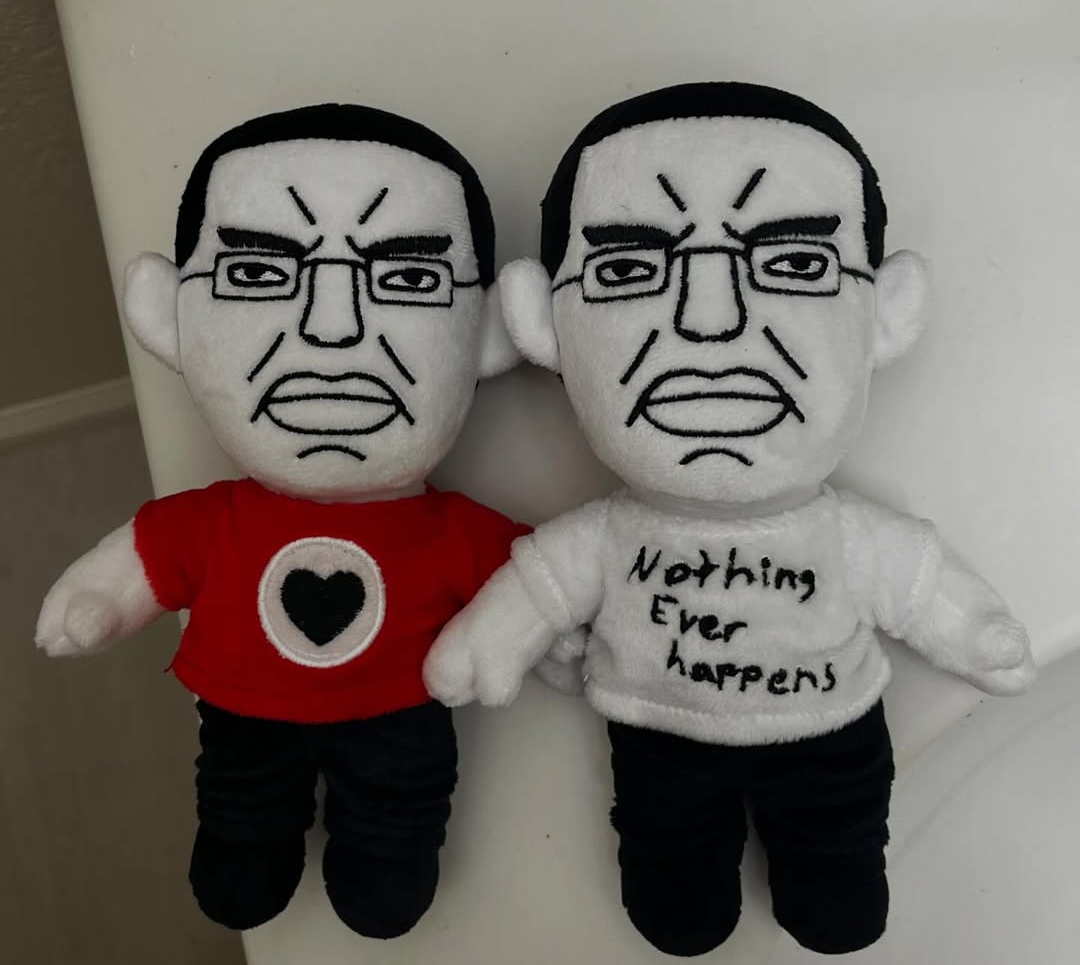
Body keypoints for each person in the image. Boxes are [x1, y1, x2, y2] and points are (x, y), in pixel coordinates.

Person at [424, 82, 1035, 956]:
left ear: (885, 316)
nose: (710, 322)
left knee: (839, 860)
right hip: (659, 736)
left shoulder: (840, 533)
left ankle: (828, 881)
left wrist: (975, 633)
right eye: (629, 270)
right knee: (672, 879)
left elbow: (918, 582)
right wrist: (495, 639)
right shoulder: (610, 535)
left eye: (793, 263)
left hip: (829, 732)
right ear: (543, 324)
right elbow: (545, 582)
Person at [36, 104, 527, 938]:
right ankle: (250, 844)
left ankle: (384, 858)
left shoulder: (453, 532)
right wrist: (100, 602)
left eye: (406, 279)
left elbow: (538, 586)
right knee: (241, 798)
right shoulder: (216, 520)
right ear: (170, 319)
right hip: (247, 712)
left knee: (400, 806)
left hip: (401, 715)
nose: (332, 331)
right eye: (262, 274)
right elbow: (145, 560)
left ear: (485, 333)